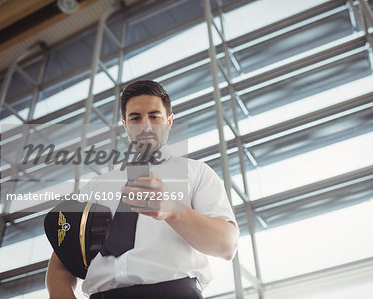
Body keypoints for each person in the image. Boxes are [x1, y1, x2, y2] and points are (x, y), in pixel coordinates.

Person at [46, 80, 239, 299]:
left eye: (154, 116)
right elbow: (61, 262)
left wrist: (172, 210)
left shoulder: (196, 172)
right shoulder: (96, 187)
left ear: (169, 121)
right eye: (135, 118)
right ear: (125, 124)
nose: (145, 125)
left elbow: (226, 245)